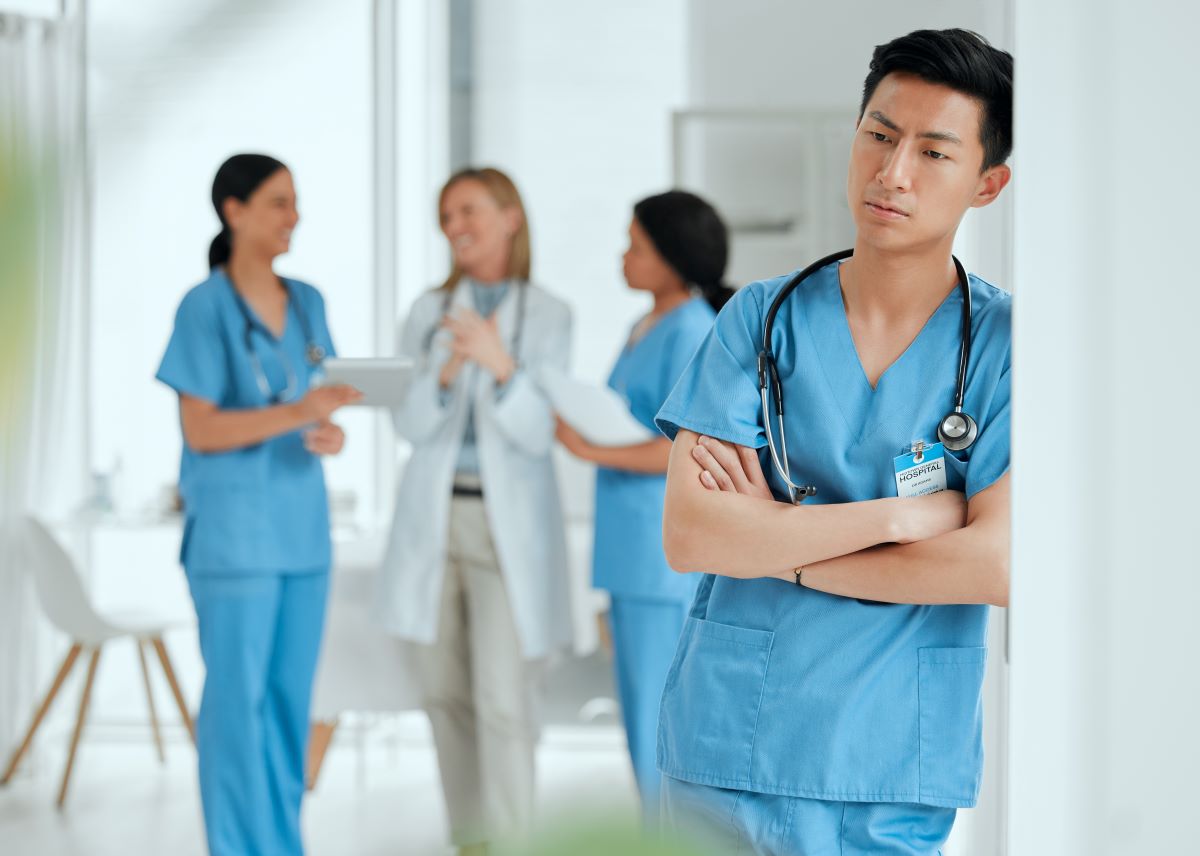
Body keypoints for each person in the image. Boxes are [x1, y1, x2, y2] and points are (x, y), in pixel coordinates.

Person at [652, 29, 1013, 854]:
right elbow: (693, 534)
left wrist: (778, 551)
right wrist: (898, 519)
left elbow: (992, 565)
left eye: (933, 151)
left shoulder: (1002, 346)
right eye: (879, 135)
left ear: (987, 183)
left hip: (888, 764)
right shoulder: (760, 318)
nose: (892, 172)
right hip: (729, 744)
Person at [156, 153, 360, 855]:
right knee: (235, 712)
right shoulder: (203, 308)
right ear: (232, 210)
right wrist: (297, 410)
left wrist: (325, 430)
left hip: (303, 537)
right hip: (234, 540)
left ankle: (281, 845)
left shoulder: (309, 302)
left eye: (296, 202)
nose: (293, 217)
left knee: (285, 707)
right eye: (278, 202)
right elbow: (202, 428)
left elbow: (317, 406)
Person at [375, 167, 573, 854]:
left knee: (501, 700)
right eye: (446, 217)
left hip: (503, 528)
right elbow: (410, 424)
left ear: (509, 216)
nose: (455, 227)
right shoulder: (427, 312)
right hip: (433, 521)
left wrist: (498, 365)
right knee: (444, 698)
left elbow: (537, 430)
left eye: (468, 212)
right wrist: (447, 372)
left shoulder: (548, 314)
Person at [554, 190, 729, 815]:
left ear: (671, 254)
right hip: (629, 552)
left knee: (663, 726)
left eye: (636, 243)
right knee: (639, 718)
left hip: (662, 559)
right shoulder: (644, 325)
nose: (623, 255)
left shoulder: (692, 329)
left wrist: (590, 450)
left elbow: (688, 447)